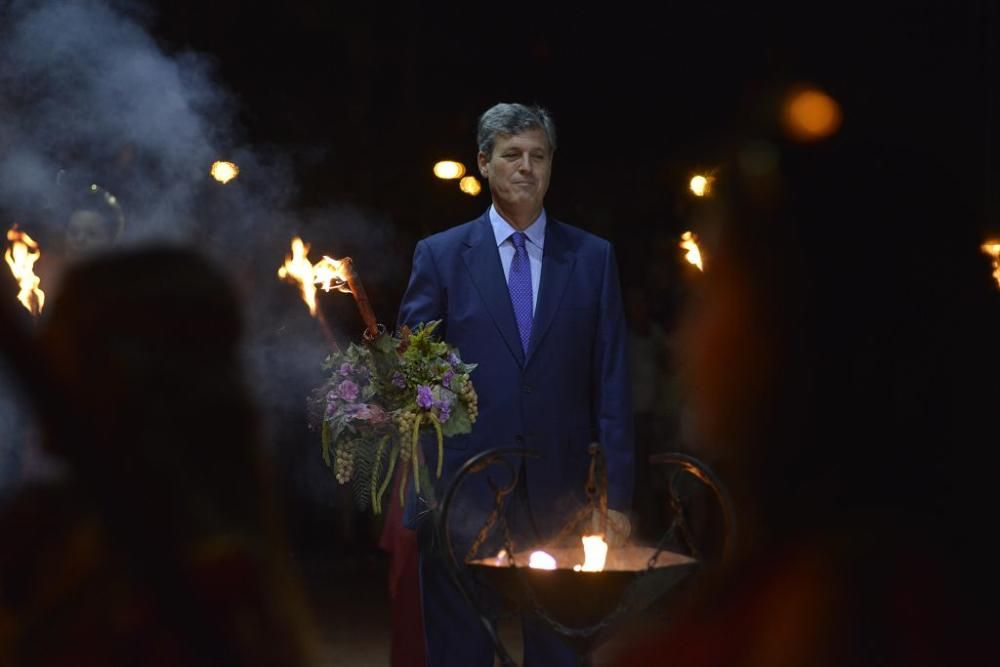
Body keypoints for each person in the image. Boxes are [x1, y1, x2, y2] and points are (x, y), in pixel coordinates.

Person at [610, 124, 1000, 664]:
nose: (687, 338)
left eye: (712, 295)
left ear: (802, 328)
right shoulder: (914, 579)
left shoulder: (836, 618)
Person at [0, 247, 320, 665]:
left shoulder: (206, 595)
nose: (47, 356)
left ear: (118, 377)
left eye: (63, 343)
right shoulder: (49, 534)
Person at [397, 102, 634, 666]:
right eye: (512, 155)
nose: (526, 168)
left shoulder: (593, 258)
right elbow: (410, 376)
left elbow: (613, 386)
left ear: (552, 165)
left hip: (563, 500)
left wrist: (619, 500)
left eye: (539, 156)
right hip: (460, 493)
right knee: (460, 653)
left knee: (561, 653)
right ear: (483, 162)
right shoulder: (442, 255)